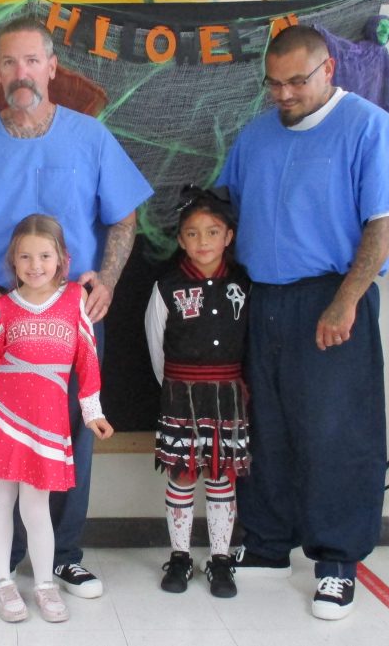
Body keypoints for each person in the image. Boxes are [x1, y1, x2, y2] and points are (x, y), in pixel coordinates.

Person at [0, 15, 153, 602]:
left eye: (31, 60)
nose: (21, 72)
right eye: (9, 62)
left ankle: (65, 557)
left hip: (73, 315)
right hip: (1, 314)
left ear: (51, 67)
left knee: (72, 434)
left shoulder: (89, 137)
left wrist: (108, 281)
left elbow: (124, 217)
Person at [216, 24, 389, 620]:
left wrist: (346, 300)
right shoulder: (257, 135)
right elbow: (228, 207)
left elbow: (388, 219)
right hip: (263, 298)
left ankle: (337, 561)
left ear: (328, 69)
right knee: (266, 427)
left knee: (336, 433)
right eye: (273, 84)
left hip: (333, 297)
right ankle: (267, 544)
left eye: (296, 81)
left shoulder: (367, 127)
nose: (284, 94)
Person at [0, 214, 115, 623]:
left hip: (46, 423)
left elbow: (87, 358)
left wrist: (92, 411)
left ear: (62, 259)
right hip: (1, 417)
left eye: (45, 255)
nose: (35, 265)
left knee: (37, 505)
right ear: (13, 260)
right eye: (25, 256)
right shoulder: (5, 307)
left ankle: (44, 584)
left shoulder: (76, 299)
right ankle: (3, 581)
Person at [143, 186, 250, 599]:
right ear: (180, 239)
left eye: (212, 232)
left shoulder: (244, 284)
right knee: (183, 472)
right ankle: (180, 556)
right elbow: (156, 345)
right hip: (180, 394)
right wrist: (174, 387)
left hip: (227, 395)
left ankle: (220, 557)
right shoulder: (167, 286)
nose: (202, 242)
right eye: (192, 233)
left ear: (229, 237)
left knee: (222, 474)